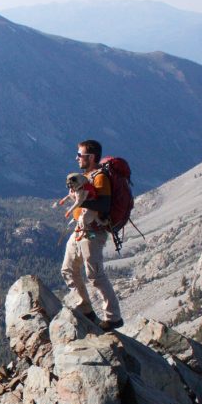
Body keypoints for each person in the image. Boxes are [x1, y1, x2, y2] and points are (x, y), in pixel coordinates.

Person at [59, 140, 123, 331]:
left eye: (80, 155)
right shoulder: (86, 176)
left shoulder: (100, 178)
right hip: (80, 229)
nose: (77, 158)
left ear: (91, 157)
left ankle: (113, 318)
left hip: (94, 232)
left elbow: (103, 206)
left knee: (95, 275)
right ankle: (85, 309)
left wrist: (78, 203)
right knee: (68, 269)